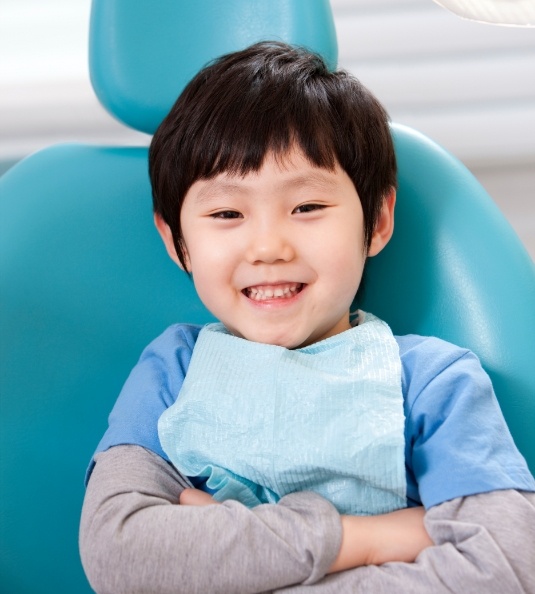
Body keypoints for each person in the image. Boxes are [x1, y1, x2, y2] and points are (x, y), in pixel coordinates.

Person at [79, 42, 535, 593]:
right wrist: (365, 540)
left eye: (307, 208)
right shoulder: (173, 372)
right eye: (227, 213)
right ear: (176, 242)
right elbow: (120, 554)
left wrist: (221, 559)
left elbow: (507, 567)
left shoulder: (433, 383)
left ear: (379, 219)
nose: (268, 247)